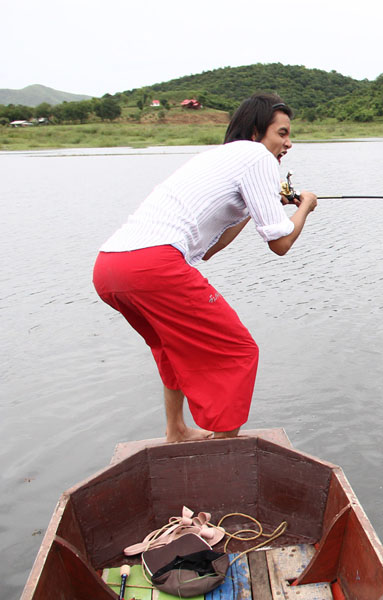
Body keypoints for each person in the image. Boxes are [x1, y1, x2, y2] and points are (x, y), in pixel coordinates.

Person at [92, 93, 318, 442]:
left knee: (170, 347)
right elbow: (280, 244)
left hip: (110, 266)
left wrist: (258, 207)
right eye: (282, 133)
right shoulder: (257, 156)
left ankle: (177, 430)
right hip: (152, 265)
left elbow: (211, 248)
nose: (289, 143)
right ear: (257, 131)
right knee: (239, 350)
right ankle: (224, 447)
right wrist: (305, 207)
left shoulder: (219, 157)